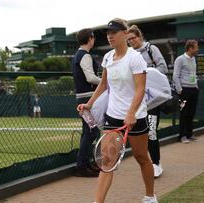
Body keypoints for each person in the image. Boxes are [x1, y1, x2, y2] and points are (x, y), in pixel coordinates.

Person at [77, 18, 157, 203]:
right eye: (108, 33)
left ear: (125, 34)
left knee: (141, 157)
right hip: (112, 117)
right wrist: (89, 103)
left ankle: (150, 196)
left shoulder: (135, 58)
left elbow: (140, 89)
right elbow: (104, 84)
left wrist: (131, 113)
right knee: (107, 162)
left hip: (136, 117)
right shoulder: (107, 57)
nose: (110, 36)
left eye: (114, 32)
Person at [127, 25, 167, 178]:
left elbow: (163, 68)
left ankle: (156, 163)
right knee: (140, 134)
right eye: (128, 39)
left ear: (140, 36)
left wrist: (147, 74)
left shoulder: (152, 49)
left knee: (151, 131)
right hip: (136, 100)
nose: (131, 41)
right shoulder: (129, 54)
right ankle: (147, 163)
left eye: (133, 38)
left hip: (152, 98)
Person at [72, 28, 101, 177]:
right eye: (93, 37)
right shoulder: (85, 56)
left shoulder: (79, 55)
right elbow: (90, 78)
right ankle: (81, 166)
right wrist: (105, 82)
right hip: (87, 99)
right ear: (90, 38)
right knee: (91, 131)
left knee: (88, 131)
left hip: (83, 98)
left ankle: (86, 163)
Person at [173, 40, 199, 144]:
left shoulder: (193, 59)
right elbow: (175, 75)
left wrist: (196, 86)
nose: (198, 49)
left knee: (191, 113)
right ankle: (182, 136)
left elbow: (193, 73)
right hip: (184, 90)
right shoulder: (180, 59)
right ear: (190, 48)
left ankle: (189, 134)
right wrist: (180, 89)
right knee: (184, 113)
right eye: (196, 47)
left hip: (194, 90)